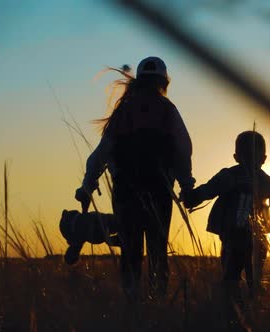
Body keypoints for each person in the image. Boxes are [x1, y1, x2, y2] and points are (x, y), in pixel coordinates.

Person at [74, 56, 195, 301]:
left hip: (125, 193)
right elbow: (183, 149)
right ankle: (157, 301)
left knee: (130, 250)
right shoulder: (167, 110)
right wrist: (186, 184)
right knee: (157, 250)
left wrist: (88, 184)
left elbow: (100, 154)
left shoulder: (124, 112)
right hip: (159, 192)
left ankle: (132, 301)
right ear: (164, 81)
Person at [183, 131, 270, 298]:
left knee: (242, 276)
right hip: (238, 235)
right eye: (248, 154)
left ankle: (241, 305)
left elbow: (207, 190)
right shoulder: (241, 177)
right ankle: (240, 305)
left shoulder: (256, 179)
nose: (251, 159)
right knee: (239, 276)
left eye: (253, 154)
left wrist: (192, 197)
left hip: (249, 236)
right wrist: (193, 197)